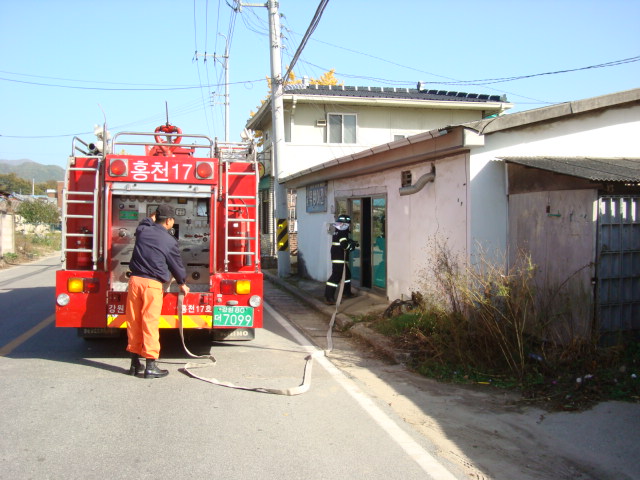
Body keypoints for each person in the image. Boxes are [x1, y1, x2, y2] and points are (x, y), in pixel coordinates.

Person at [125, 204, 190, 379]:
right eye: (172, 219)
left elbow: (145, 221)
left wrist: (154, 215)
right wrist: (182, 283)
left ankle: (134, 363)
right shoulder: (169, 240)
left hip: (134, 281)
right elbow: (176, 264)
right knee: (150, 324)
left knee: (134, 322)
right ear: (169, 221)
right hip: (152, 285)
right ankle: (151, 366)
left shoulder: (143, 230)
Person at [324, 214, 358, 305]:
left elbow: (341, 241)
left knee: (347, 275)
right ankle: (329, 297)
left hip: (337, 256)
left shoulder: (337, 229)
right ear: (345, 223)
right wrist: (351, 246)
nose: (349, 226)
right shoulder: (343, 231)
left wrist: (349, 241)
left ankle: (347, 293)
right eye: (348, 224)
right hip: (339, 257)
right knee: (336, 276)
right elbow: (344, 245)